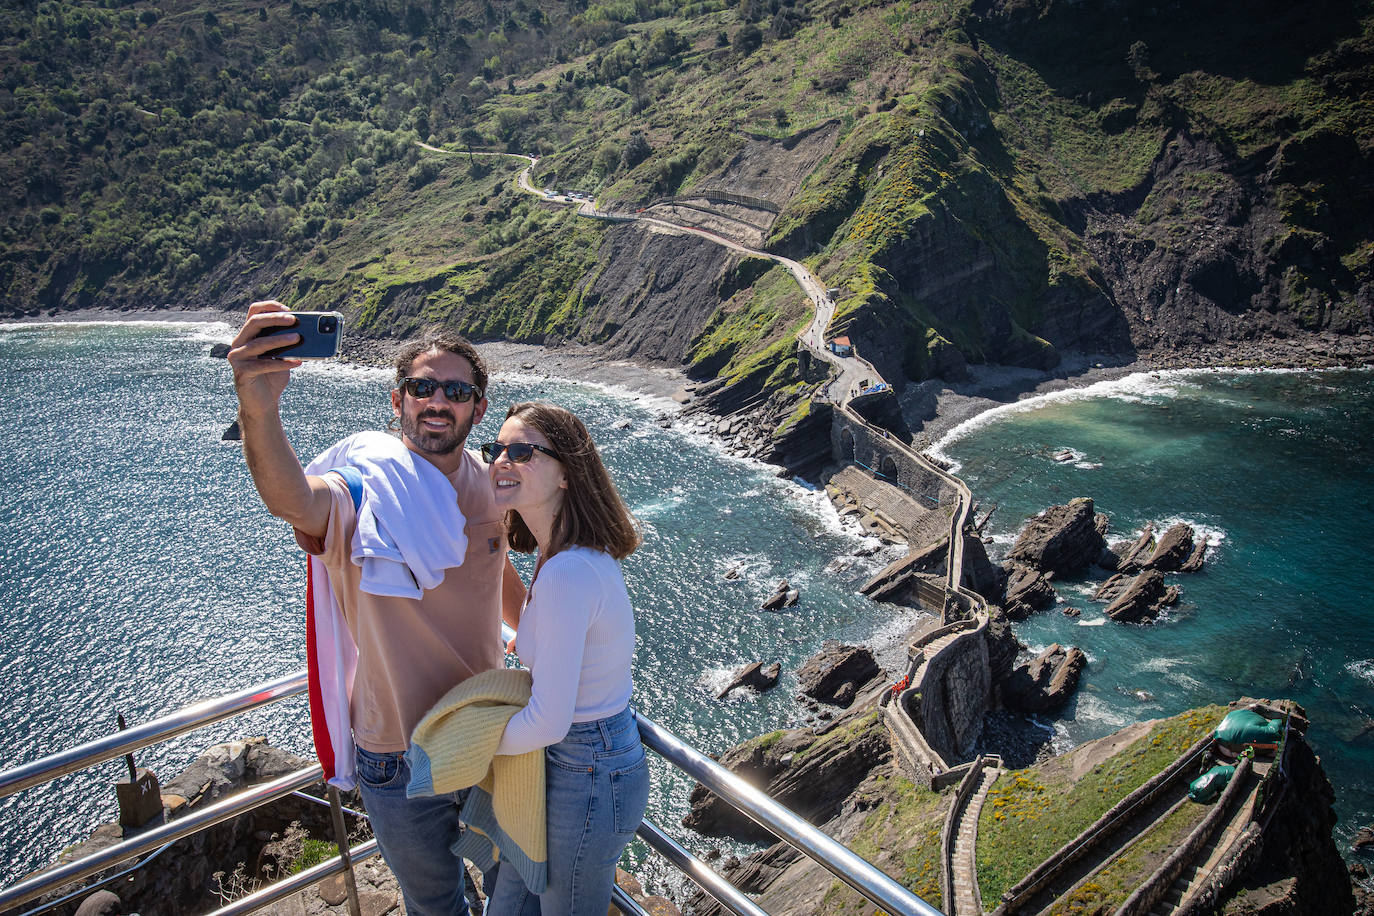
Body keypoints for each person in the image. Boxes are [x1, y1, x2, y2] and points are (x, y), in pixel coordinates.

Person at [228, 301, 524, 916]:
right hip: (395, 753)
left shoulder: (494, 487)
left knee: (513, 890)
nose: (436, 400)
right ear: (398, 401)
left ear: (478, 408)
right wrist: (260, 408)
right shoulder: (365, 490)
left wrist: (540, 639)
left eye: (455, 390)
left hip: (489, 731)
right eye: (421, 387)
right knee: (436, 904)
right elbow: (292, 499)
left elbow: (498, 568)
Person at [480, 401, 649, 916]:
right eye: (497, 449)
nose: (502, 460)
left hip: (587, 769)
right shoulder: (561, 557)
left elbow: (550, 719)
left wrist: (474, 749)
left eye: (523, 451)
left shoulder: (567, 572)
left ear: (567, 475)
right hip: (583, 759)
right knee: (509, 903)